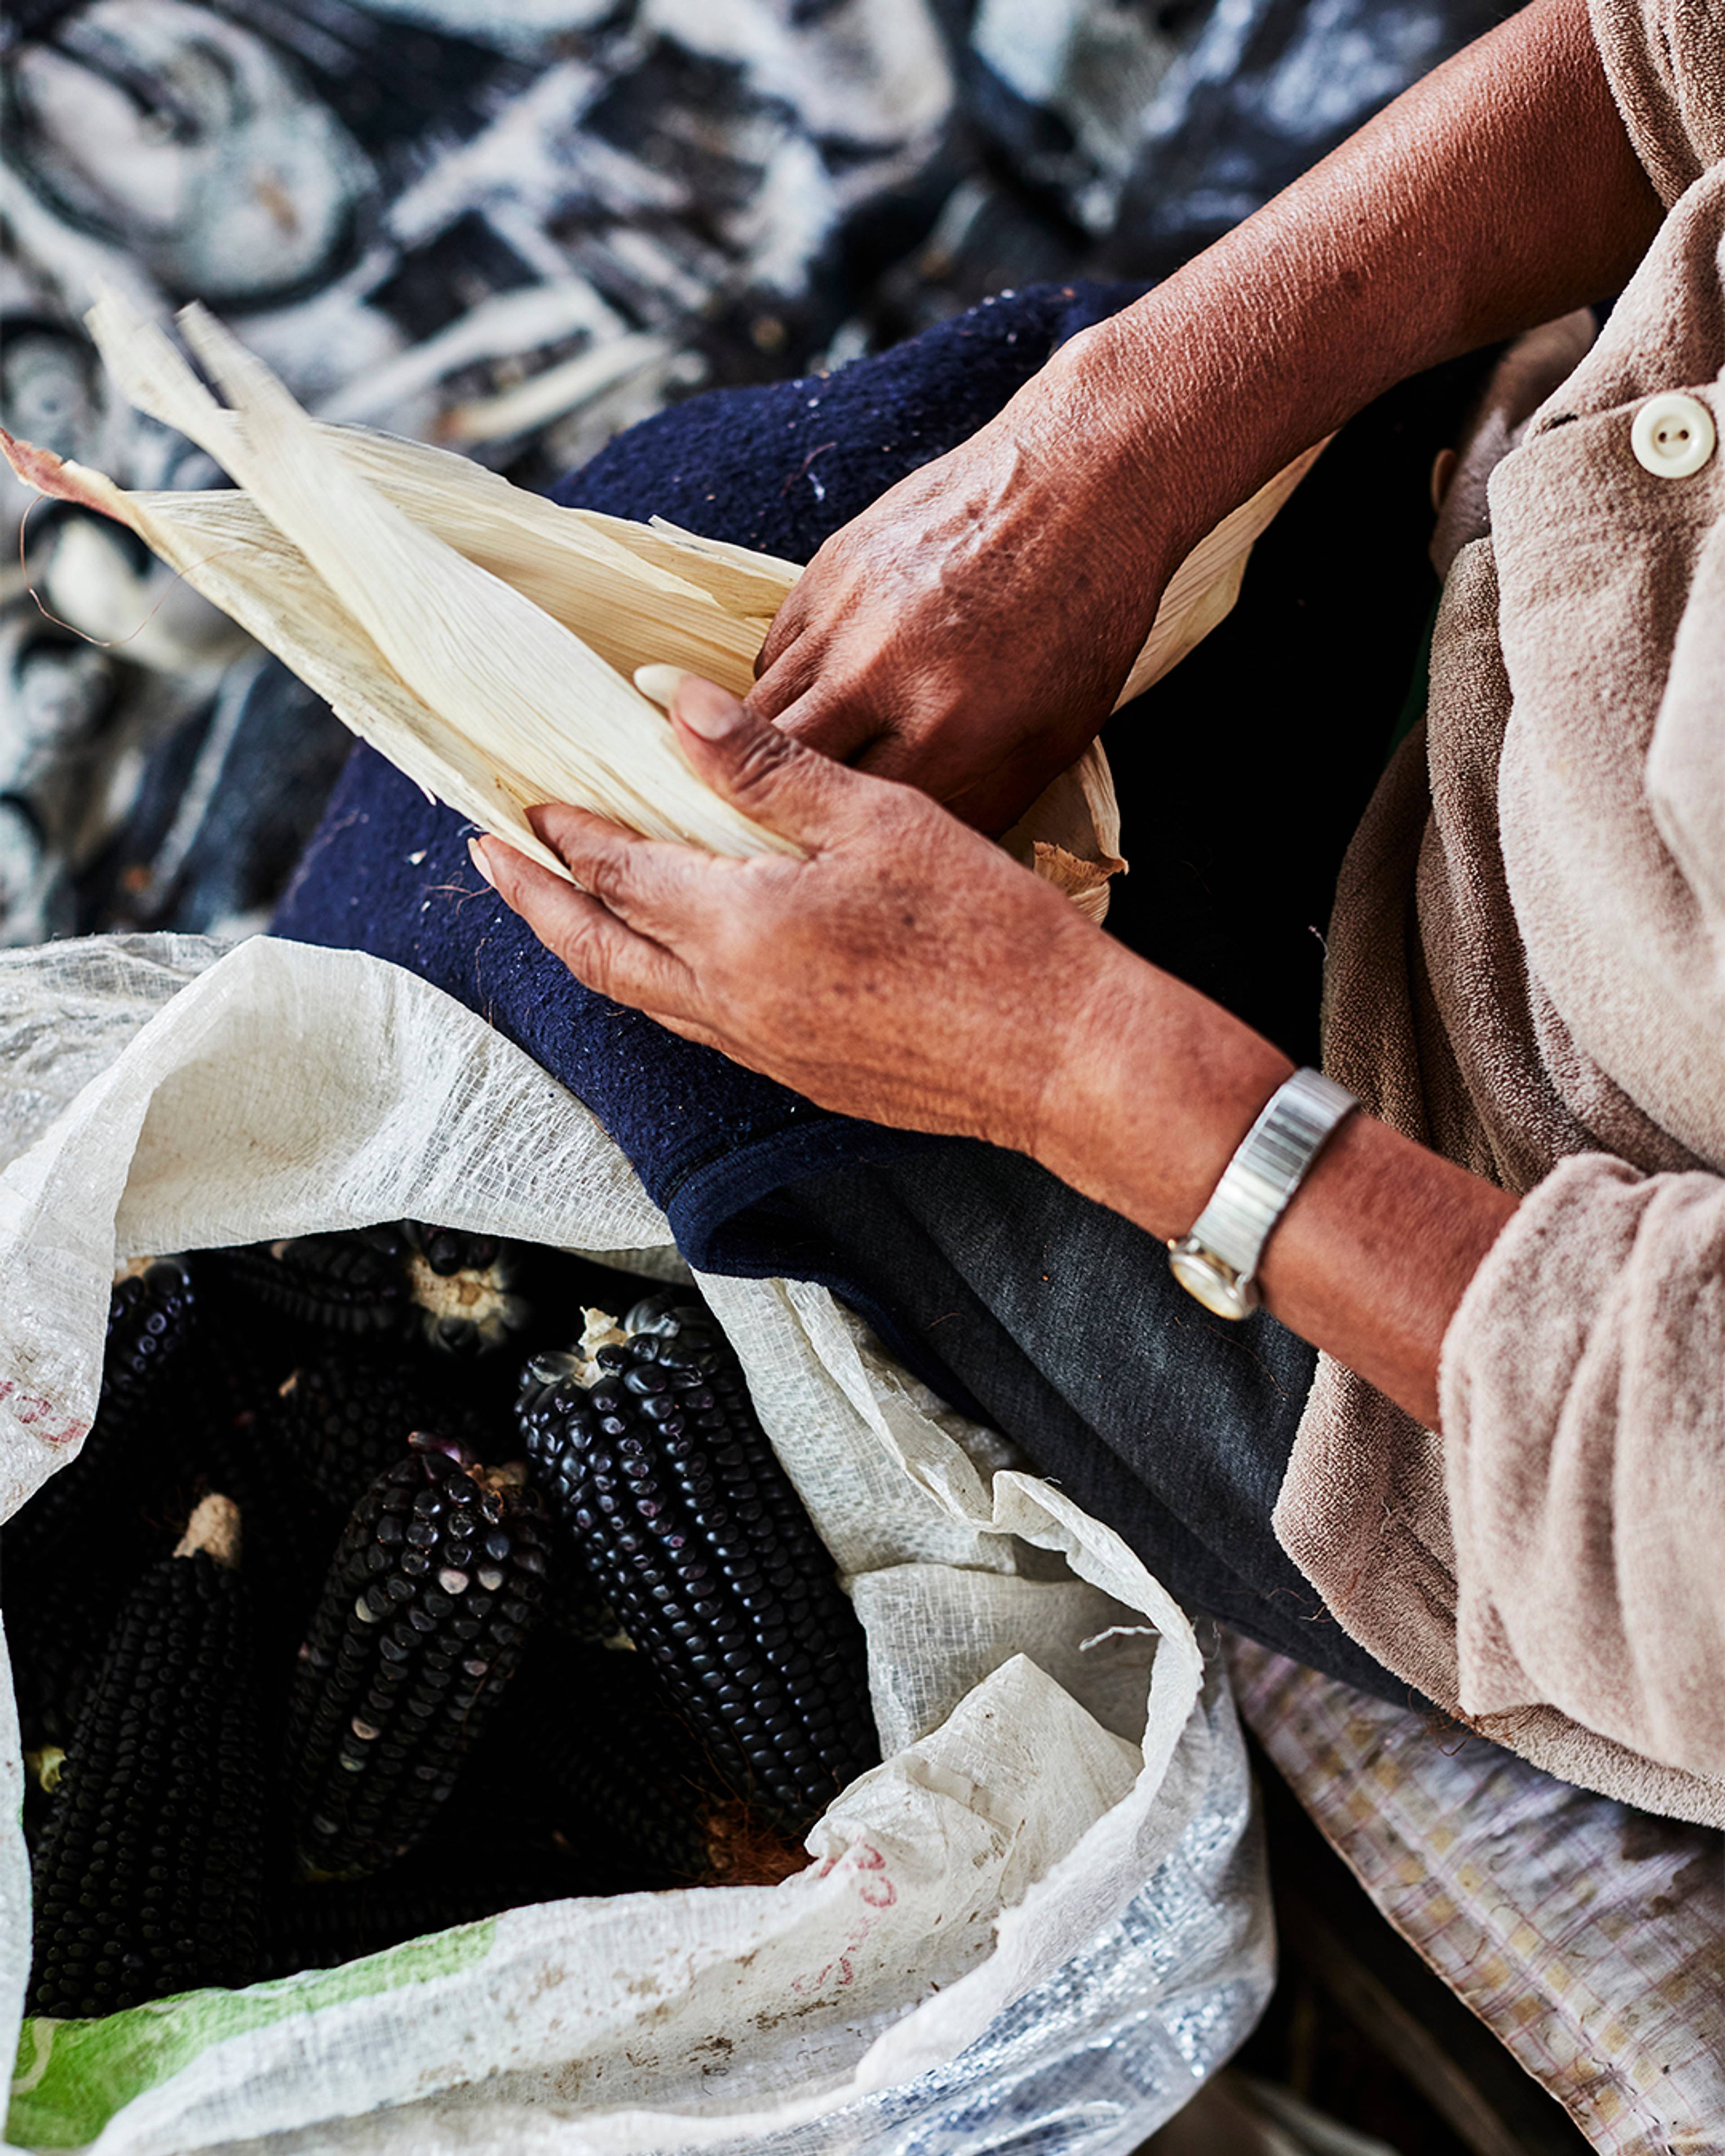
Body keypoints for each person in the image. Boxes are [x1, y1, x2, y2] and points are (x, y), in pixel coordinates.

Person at [457, 0, 1724, 1826]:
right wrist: (1102, 446)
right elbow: (1661, 55)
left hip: (1500, 1314)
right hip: (1563, 550)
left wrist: (1056, 1060)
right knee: (737, 519)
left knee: (575, 990)